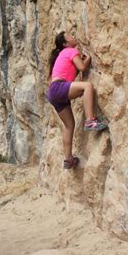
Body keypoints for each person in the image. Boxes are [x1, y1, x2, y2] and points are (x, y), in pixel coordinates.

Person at [46, 31, 107, 170]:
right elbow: (82, 67)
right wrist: (88, 58)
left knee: (69, 125)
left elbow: (76, 70)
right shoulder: (70, 51)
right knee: (88, 86)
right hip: (59, 87)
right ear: (66, 43)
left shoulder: (63, 54)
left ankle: (68, 159)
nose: (74, 37)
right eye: (70, 36)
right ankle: (91, 120)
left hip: (53, 92)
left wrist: (82, 60)